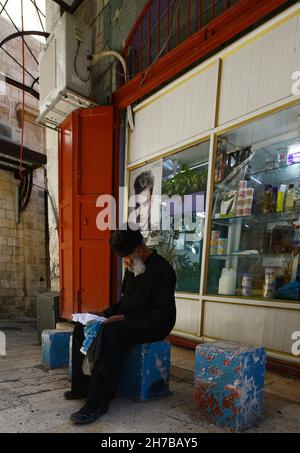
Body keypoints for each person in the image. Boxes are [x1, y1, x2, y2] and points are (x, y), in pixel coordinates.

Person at [65, 223, 176, 425]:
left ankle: (98, 402)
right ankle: (82, 387)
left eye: (126, 258)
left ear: (139, 250)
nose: (125, 263)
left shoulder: (163, 271)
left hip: (152, 325)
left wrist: (123, 319)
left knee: (111, 333)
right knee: (82, 327)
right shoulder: (134, 266)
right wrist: (102, 314)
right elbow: (124, 304)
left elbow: (162, 315)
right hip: (129, 320)